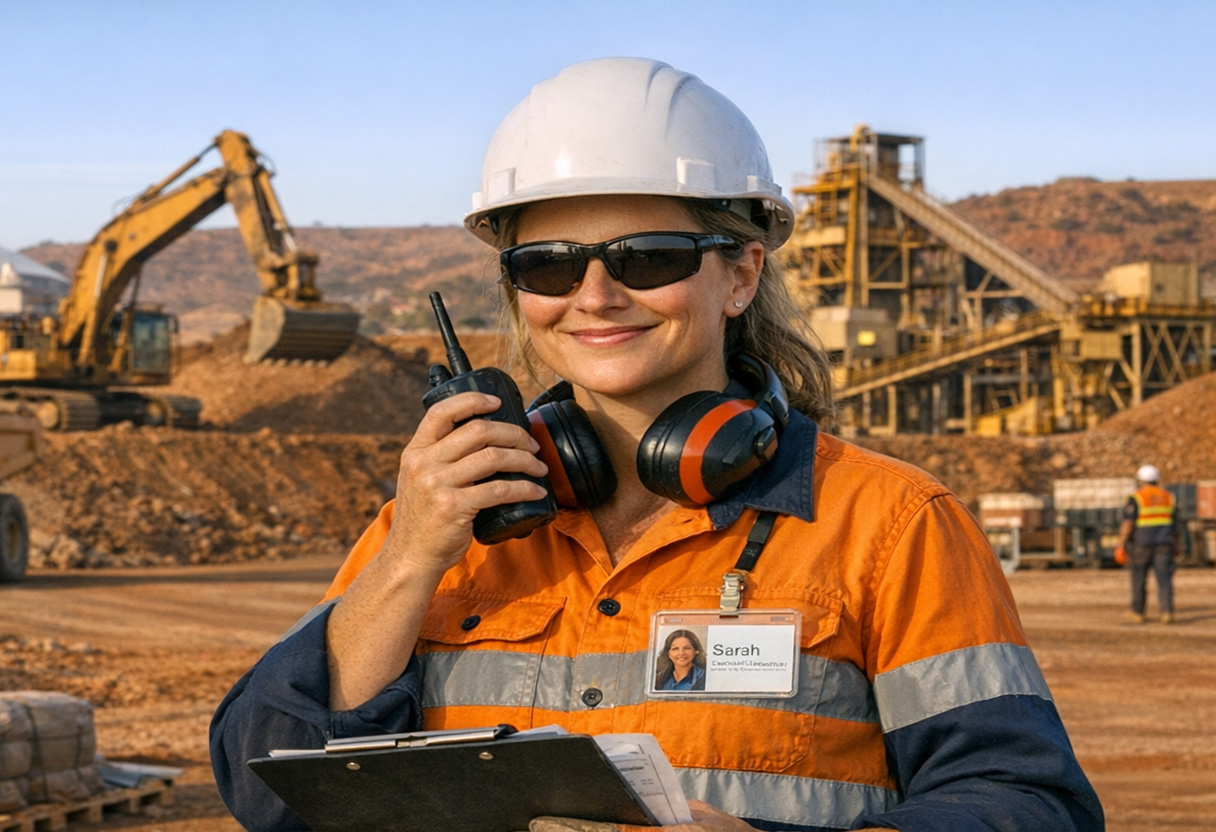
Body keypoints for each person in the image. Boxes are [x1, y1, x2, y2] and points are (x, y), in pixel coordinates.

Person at [210, 57, 1103, 832]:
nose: (596, 295)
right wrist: (410, 558)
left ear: (741, 273)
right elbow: (272, 796)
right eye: (550, 264)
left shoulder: (890, 524)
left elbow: (1028, 803)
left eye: (648, 257)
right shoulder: (441, 522)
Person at [1117, 464, 1181, 624]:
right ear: (1157, 479)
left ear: (1140, 480)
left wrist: (1121, 544)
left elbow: (1128, 524)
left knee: (1139, 577)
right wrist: (1177, 545)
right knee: (1164, 578)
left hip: (1142, 545)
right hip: (1164, 544)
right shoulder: (1168, 497)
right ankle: (1167, 612)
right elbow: (1176, 526)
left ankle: (1138, 612)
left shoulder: (1137, 498)